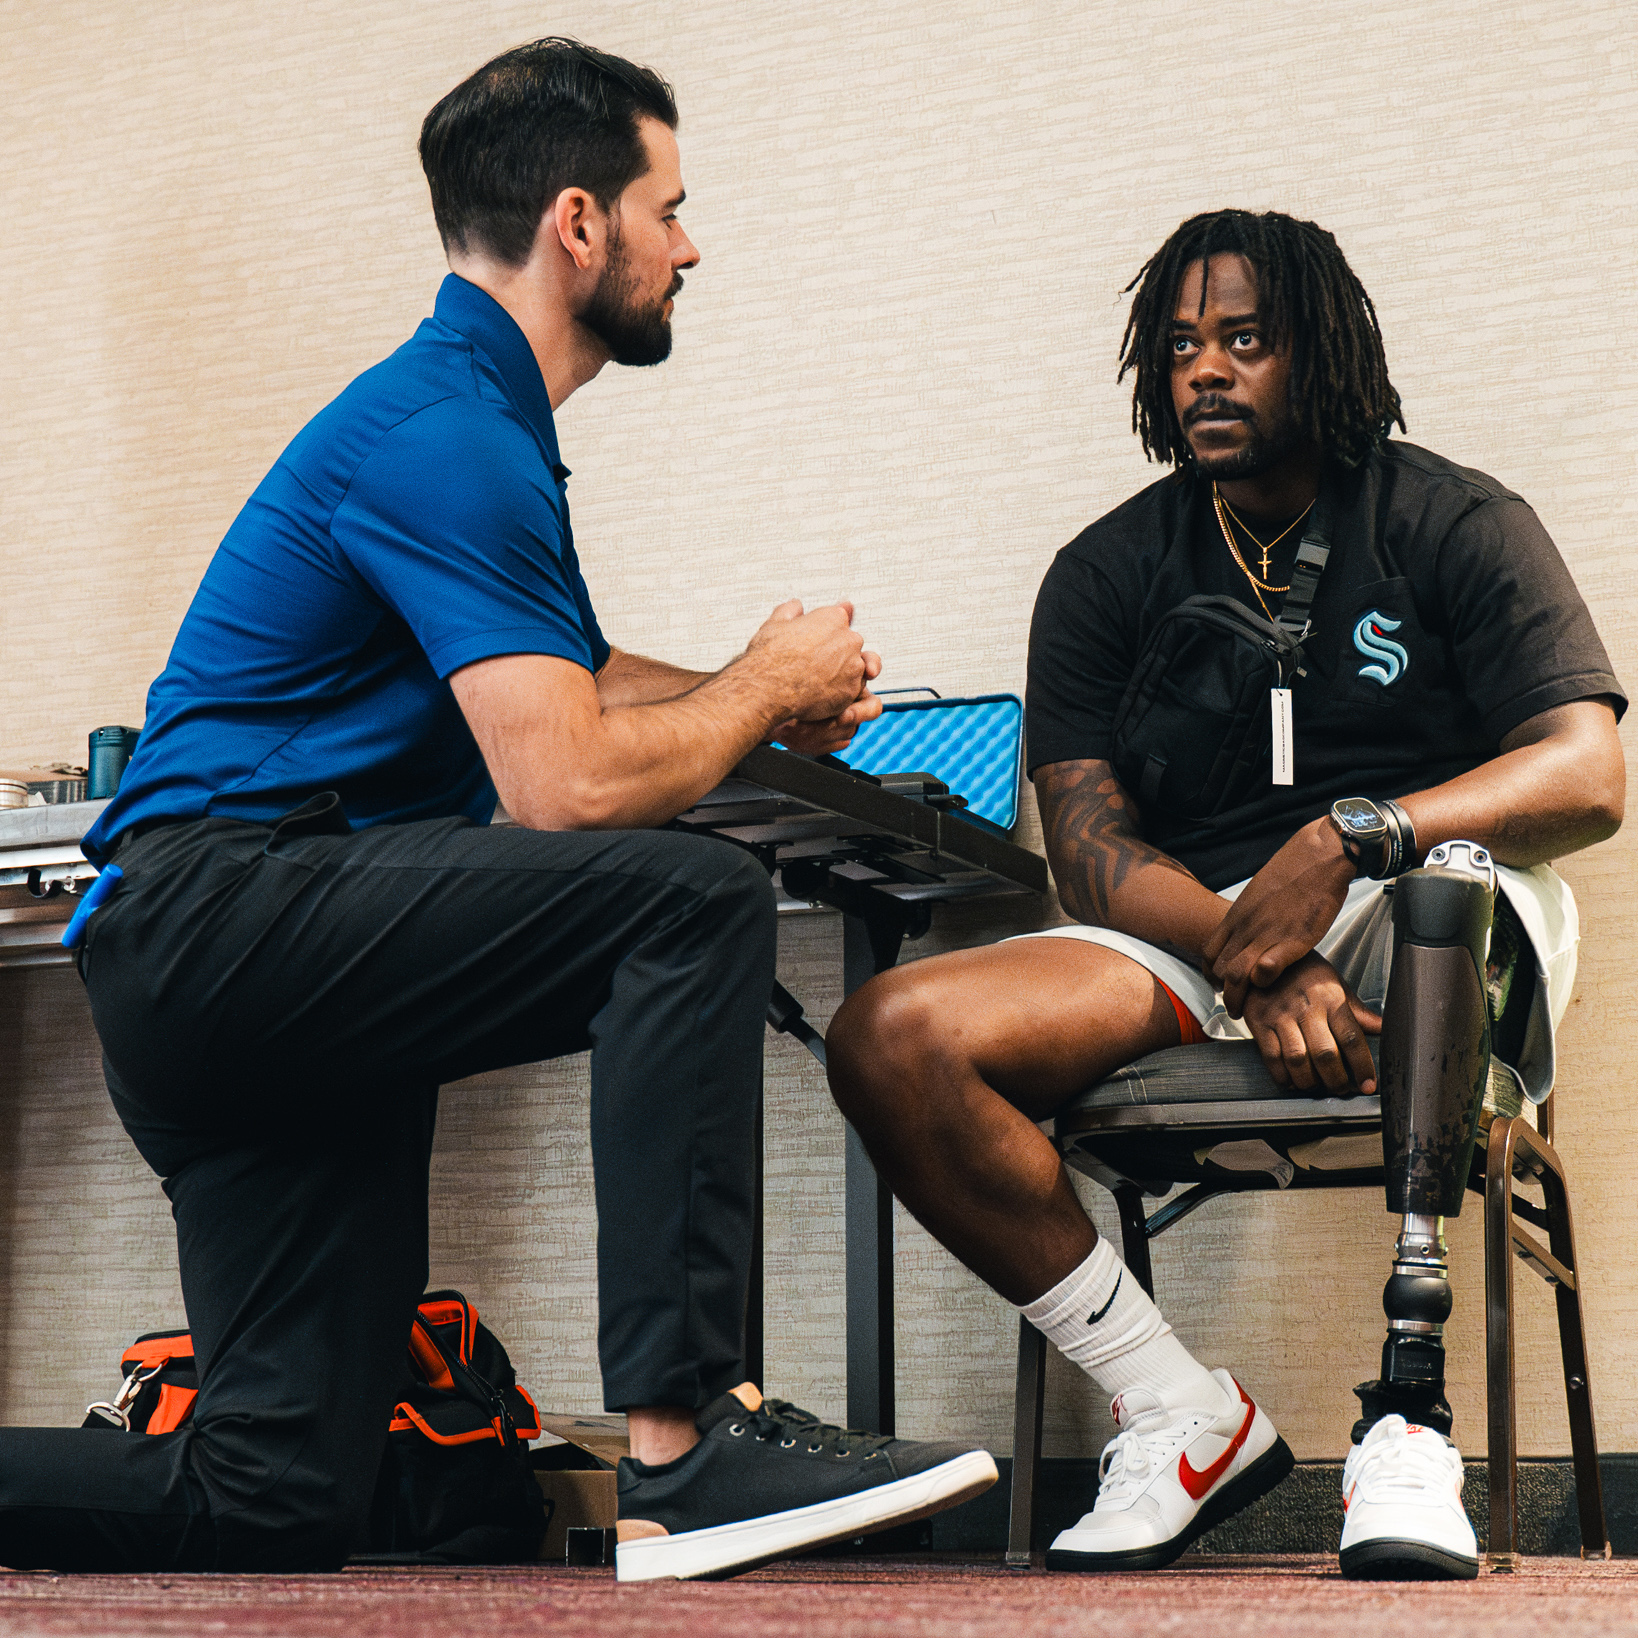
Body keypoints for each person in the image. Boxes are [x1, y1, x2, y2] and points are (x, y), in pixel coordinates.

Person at [0, 39, 995, 1582]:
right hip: (224, 922)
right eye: (671, 207)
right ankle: (683, 1445)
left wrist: (763, 693)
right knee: (688, 896)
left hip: (241, 959)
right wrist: (758, 675)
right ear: (580, 225)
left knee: (274, 1494)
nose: (692, 243)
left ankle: (654, 1449)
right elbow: (565, 780)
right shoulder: (449, 434)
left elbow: (569, 675)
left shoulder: (466, 416)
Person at [827, 209, 1625, 1580]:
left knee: (1445, 893)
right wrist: (1255, 957)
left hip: (1421, 897)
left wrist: (1357, 832)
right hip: (1198, 925)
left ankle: (1408, 1421)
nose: (1205, 370)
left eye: (1243, 339)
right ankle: (1176, 1403)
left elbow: (1587, 768)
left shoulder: (1451, 519)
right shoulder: (1104, 572)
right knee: (889, 1036)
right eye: (1182, 343)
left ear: (1320, 351)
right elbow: (1085, 844)